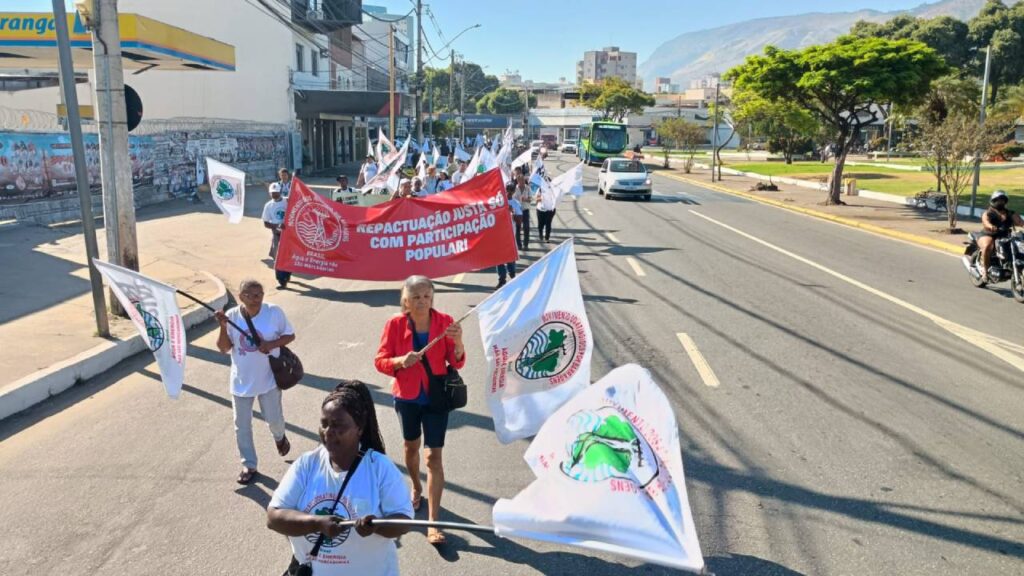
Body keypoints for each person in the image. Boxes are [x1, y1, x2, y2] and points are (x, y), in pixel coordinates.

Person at [267, 382, 413, 575]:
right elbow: (273, 517)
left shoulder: (379, 467)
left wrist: (377, 526)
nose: (328, 431)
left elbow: (404, 521)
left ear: (359, 428)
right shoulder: (306, 464)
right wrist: (316, 523)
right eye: (324, 423)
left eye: (338, 425)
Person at [374, 276, 465, 546]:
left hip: (437, 399)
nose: (422, 301)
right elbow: (380, 360)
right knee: (411, 448)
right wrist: (401, 361)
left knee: (433, 458)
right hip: (408, 398)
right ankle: (415, 485)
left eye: (427, 295)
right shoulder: (395, 324)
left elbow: (456, 362)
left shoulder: (445, 322)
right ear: (406, 300)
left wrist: (458, 342)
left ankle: (433, 523)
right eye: (416, 297)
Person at [214, 279, 294, 485]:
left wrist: (271, 344)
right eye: (249, 295)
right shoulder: (231, 317)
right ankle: (249, 465)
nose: (254, 299)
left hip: (268, 379)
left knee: (274, 419)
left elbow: (289, 335)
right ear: (240, 297)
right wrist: (223, 327)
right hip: (241, 381)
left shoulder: (274, 312)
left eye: (258, 294)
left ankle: (279, 436)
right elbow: (223, 348)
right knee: (242, 426)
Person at [972, 190, 1023, 281]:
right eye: (998, 200)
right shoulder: (988, 213)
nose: (1001, 202)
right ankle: (985, 271)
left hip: (1005, 236)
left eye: (1003, 200)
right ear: (993, 200)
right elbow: (985, 221)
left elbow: (1020, 222)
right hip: (989, 234)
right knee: (988, 245)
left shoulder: (1010, 213)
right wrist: (991, 227)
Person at [497, 182, 520, 288]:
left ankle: (512, 275)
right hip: (500, 234)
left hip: (511, 235)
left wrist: (512, 212)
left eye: (511, 190)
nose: (509, 192)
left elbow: (520, 221)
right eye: (507, 189)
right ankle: (502, 278)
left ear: (514, 191)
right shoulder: (498, 202)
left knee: (510, 257)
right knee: (500, 258)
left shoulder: (516, 203)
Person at [263, 183, 287, 259]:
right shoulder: (268, 205)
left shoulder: (287, 201)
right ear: (270, 193)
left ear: (280, 191)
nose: (274, 195)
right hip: (276, 232)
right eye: (272, 193)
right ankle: (277, 262)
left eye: (276, 192)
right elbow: (266, 223)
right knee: (277, 250)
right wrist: (276, 226)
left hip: (288, 230)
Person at [513, 170, 532, 250]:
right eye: (521, 181)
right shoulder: (515, 189)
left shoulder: (528, 188)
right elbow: (512, 200)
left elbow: (530, 200)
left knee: (526, 227)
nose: (523, 182)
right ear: (518, 181)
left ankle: (526, 244)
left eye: (523, 181)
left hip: (525, 210)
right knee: (518, 228)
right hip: (517, 211)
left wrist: (525, 199)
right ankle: (519, 245)